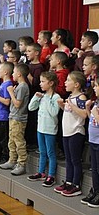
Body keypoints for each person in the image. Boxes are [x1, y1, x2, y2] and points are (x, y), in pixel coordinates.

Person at [55, 71, 87, 196]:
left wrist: (72, 106)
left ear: (77, 84)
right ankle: (68, 182)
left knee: (75, 160)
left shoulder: (81, 97)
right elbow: (70, 113)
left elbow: (84, 114)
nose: (65, 83)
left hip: (76, 132)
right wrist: (62, 106)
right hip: (67, 132)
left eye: (68, 80)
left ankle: (76, 185)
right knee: (68, 159)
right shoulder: (69, 97)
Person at [27, 71, 60, 187]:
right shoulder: (42, 96)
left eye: (42, 82)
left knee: (51, 153)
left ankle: (51, 175)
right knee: (42, 152)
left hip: (50, 130)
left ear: (50, 83)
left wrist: (46, 100)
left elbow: (53, 112)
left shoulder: (56, 97)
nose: (40, 84)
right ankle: (41, 172)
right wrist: (36, 98)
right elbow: (31, 108)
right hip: (40, 128)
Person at [0, 63, 30, 175]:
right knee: (11, 140)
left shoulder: (23, 86)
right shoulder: (19, 86)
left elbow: (17, 104)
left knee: (19, 141)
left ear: (19, 74)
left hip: (19, 118)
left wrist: (11, 93)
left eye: (14, 72)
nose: (12, 74)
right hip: (13, 116)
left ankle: (21, 163)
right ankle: (12, 160)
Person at [83, 78, 99, 207]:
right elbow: (92, 120)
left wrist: (95, 113)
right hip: (93, 140)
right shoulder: (96, 102)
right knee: (94, 169)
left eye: (97, 86)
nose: (94, 88)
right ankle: (95, 189)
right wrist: (89, 110)